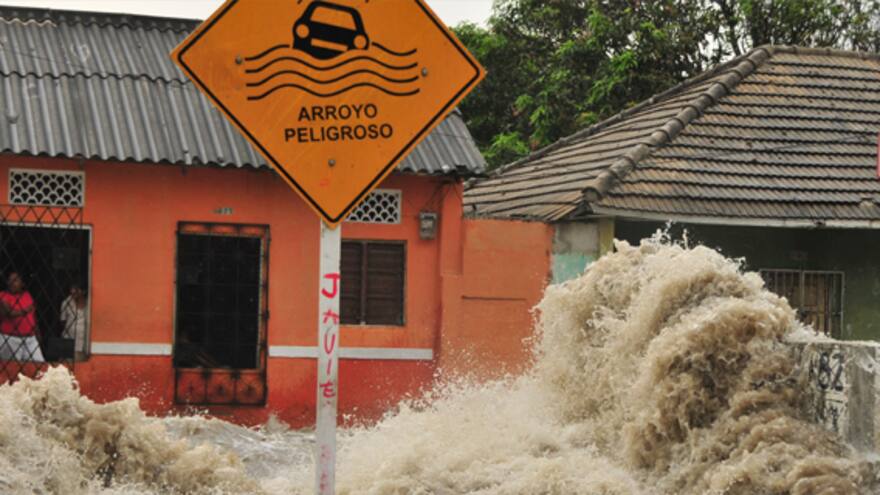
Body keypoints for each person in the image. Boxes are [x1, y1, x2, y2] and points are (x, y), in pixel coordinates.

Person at [0, 272, 44, 362]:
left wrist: (37, 333)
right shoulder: (3, 295)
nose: (12, 282)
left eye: (15, 280)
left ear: (22, 283)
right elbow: (8, 313)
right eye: (10, 280)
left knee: (39, 364)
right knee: (11, 368)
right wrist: (24, 311)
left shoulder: (27, 295)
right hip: (10, 338)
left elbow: (33, 317)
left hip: (30, 338)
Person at [60, 284, 89, 360]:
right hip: (69, 342)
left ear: (83, 291)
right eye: (72, 289)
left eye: (76, 289)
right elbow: (63, 321)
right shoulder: (66, 303)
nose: (72, 291)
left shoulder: (90, 303)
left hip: (84, 344)